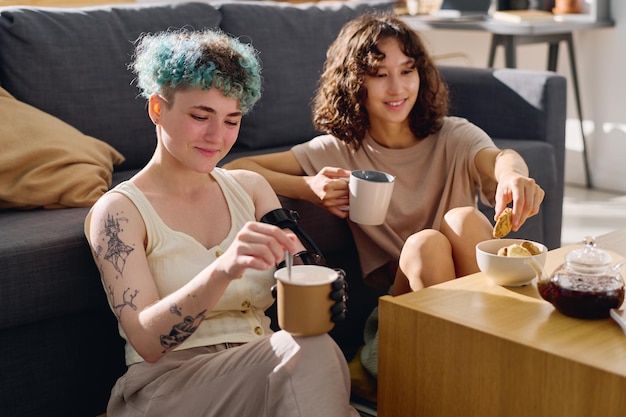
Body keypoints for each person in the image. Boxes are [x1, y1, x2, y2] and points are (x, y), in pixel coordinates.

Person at [224, 12, 545, 377]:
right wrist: (309, 188)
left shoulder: (454, 136)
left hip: (480, 314)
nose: (397, 88)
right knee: (426, 244)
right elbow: (237, 168)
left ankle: (490, 360)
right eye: (380, 74)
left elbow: (500, 158)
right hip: (404, 314)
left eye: (407, 71)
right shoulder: (339, 150)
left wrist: (513, 176)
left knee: (465, 218)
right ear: (354, 82)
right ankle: (485, 371)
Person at [84, 28, 357, 417]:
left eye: (232, 120)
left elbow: (299, 271)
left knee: (312, 350)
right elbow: (145, 340)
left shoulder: (249, 187)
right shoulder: (119, 212)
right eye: (201, 116)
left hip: (263, 371)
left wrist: (311, 276)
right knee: (311, 355)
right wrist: (224, 269)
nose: (217, 137)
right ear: (157, 109)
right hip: (170, 387)